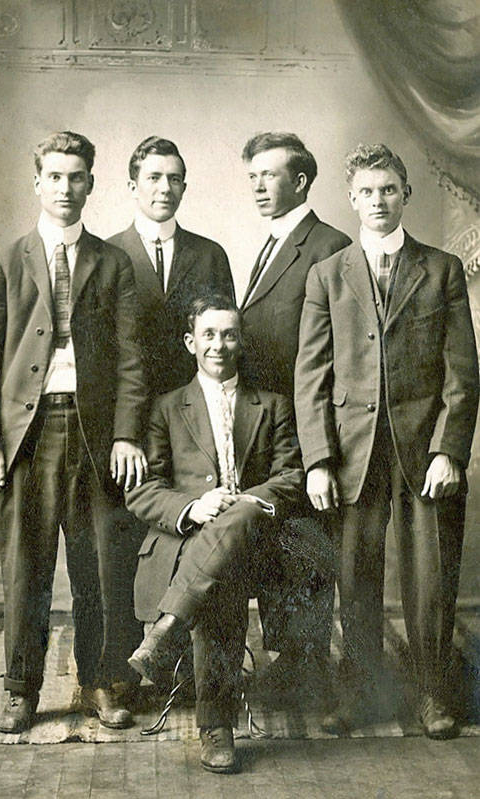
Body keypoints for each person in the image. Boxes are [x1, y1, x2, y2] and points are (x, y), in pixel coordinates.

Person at [295, 143, 479, 738]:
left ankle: (433, 695)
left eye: (389, 190)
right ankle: (362, 693)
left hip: (425, 450)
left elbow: (463, 371)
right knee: (355, 575)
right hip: (351, 452)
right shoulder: (328, 274)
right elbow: (311, 375)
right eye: (367, 192)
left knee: (431, 577)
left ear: (406, 195)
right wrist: (319, 460)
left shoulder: (443, 269)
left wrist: (450, 450)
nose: (378, 201)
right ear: (351, 199)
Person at [0, 131, 148, 733]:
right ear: (37, 183)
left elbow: (132, 360)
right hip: (27, 434)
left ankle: (100, 679)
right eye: (55, 176)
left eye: (76, 177)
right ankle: (21, 687)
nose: (66, 188)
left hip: (95, 434)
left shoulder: (112, 262)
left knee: (100, 567)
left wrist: (127, 435)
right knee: (26, 567)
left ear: (92, 184)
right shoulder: (8, 259)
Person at [125, 295, 304, 773]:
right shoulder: (166, 408)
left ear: (241, 341)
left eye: (228, 334)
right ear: (191, 342)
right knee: (221, 570)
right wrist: (193, 506)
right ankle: (216, 724)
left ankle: (170, 629)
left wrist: (240, 503)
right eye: (209, 335)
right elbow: (142, 490)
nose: (219, 345)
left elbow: (290, 476)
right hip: (187, 539)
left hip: (258, 538)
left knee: (237, 529)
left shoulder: (272, 405)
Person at [240, 132, 351, 686]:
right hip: (268, 424)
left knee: (305, 543)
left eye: (270, 175)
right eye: (253, 176)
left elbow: (337, 353)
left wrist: (319, 445)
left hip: (309, 423)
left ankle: (306, 665)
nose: (258, 186)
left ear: (301, 180)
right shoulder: (269, 243)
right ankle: (290, 660)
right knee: (277, 543)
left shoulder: (329, 245)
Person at [108, 136, 235, 395]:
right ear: (133, 187)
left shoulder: (210, 255)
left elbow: (228, 336)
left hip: (195, 406)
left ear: (184, 188)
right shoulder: (106, 255)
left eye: (174, 179)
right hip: (127, 405)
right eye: (154, 178)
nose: (165, 188)